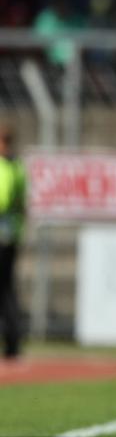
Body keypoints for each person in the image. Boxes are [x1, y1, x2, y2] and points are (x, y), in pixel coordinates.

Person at [0, 123, 26, 362]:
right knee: (7, 289)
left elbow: (3, 200)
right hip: (12, 234)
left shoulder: (5, 167)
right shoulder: (18, 166)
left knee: (5, 289)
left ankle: (12, 343)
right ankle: (13, 344)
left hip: (3, 234)